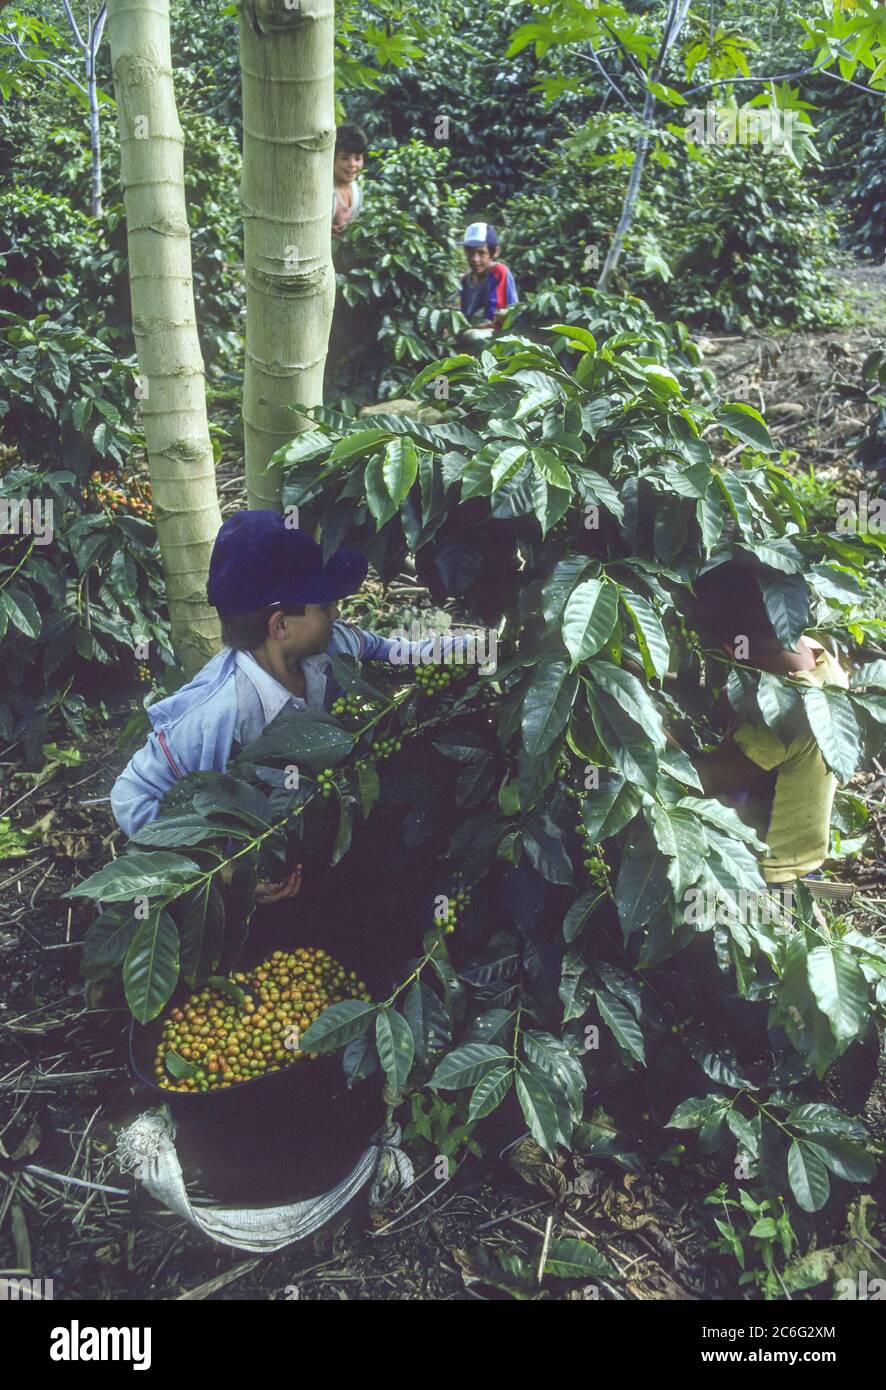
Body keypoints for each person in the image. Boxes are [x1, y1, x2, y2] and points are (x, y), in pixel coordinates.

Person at [110, 512, 473, 900]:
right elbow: (131, 795)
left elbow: (400, 652)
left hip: (301, 822)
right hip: (249, 858)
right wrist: (227, 873)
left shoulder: (335, 647)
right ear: (280, 625)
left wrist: (484, 649)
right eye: (326, 605)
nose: (337, 613)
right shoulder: (219, 712)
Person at [687, 559, 850, 887]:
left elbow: (701, 779)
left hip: (770, 871)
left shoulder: (783, 719)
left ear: (731, 650)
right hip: (802, 850)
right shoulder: (815, 655)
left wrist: (639, 723)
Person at [456, 222, 518, 349]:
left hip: (500, 332)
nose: (475, 259)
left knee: (471, 336)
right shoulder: (466, 280)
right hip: (476, 328)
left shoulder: (498, 272)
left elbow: (501, 317)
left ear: (494, 252)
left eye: (481, 253)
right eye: (470, 253)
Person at [332, 122, 367, 238]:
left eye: (357, 158)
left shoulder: (357, 191)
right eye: (344, 158)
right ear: (332, 158)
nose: (352, 164)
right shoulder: (325, 191)